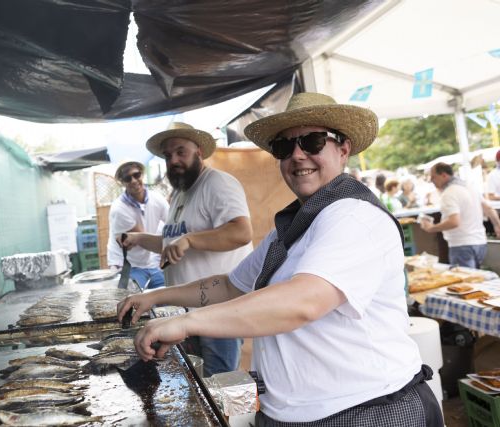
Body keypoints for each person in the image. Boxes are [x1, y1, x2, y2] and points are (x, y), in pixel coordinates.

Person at [118, 93, 442, 426]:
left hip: (365, 410)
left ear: (343, 149)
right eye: (284, 147)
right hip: (291, 412)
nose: (298, 155)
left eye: (313, 141)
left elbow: (304, 300)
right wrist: (155, 297)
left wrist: (186, 322)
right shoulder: (294, 225)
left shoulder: (353, 216)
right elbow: (231, 285)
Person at [120, 122, 253, 376]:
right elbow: (170, 243)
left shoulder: (217, 184)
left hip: (218, 311)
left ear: (199, 152)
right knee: (198, 383)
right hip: (187, 313)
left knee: (217, 387)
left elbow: (241, 232)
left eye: (181, 152)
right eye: (168, 155)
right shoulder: (180, 194)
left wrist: (191, 240)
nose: (174, 160)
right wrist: (137, 238)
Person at [421, 162, 500, 268]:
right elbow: (489, 209)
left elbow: (454, 222)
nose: (431, 180)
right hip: (480, 242)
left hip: (461, 244)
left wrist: (432, 228)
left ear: (444, 175)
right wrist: (497, 225)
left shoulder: (449, 193)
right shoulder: (469, 187)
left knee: (465, 281)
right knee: (475, 279)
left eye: (433, 177)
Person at [107, 161, 169, 289]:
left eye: (136, 175)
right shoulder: (119, 209)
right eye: (127, 178)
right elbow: (143, 239)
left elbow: (172, 223)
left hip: (149, 261)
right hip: (127, 265)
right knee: (133, 302)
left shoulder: (157, 199)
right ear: (122, 182)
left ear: (142, 175)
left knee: (167, 300)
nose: (134, 180)